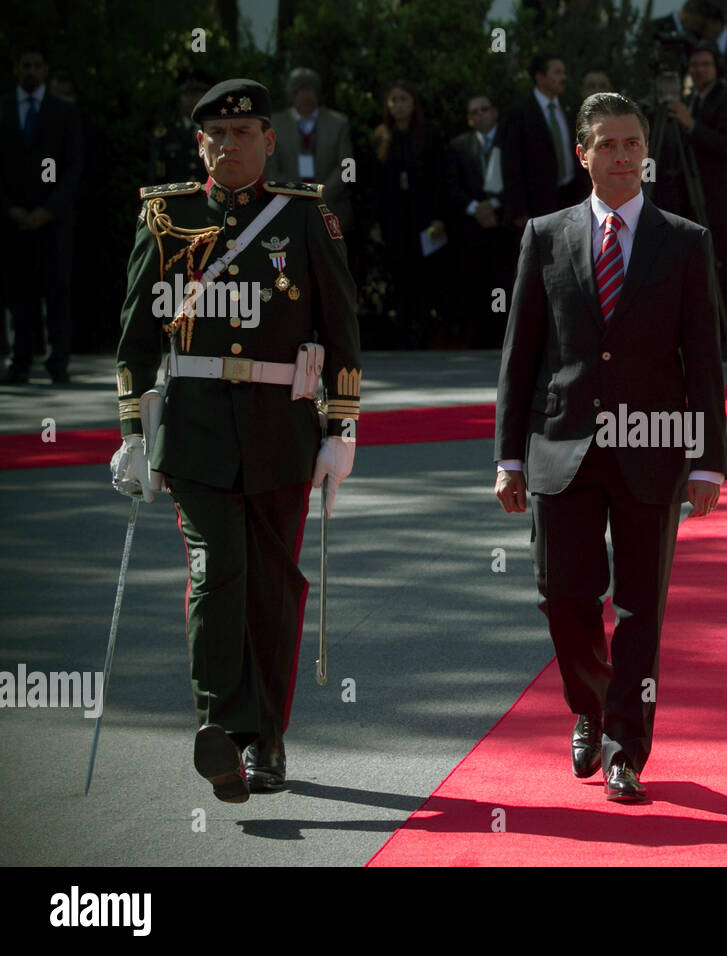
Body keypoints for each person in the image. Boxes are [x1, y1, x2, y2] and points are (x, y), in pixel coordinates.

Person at [109, 78, 362, 802]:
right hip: (193, 431)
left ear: (268, 140)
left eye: (243, 132)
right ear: (200, 144)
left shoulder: (305, 219)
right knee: (217, 573)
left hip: (281, 428)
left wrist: (342, 428)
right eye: (216, 136)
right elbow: (133, 337)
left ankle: (268, 740)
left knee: (274, 588)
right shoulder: (166, 217)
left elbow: (341, 329)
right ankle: (224, 728)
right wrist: (132, 431)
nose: (229, 144)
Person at [494, 92, 727, 803]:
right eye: (608, 144)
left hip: (652, 450)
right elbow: (521, 354)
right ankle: (590, 706)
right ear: (584, 153)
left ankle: (625, 745)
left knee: (639, 610)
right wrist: (508, 458)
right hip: (559, 445)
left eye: (633, 144)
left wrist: (708, 458)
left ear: (646, 152)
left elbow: (704, 360)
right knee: (563, 596)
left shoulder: (685, 241)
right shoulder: (545, 235)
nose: (623, 157)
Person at [0, 45, 83, 384]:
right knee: (16, 291)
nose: (30, 71)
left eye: (36, 65)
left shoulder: (63, 111)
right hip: (12, 220)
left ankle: (58, 360)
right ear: (17, 69)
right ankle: (19, 361)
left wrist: (49, 210)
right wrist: (10, 208)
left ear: (45, 70)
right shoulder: (3, 109)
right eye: (25, 65)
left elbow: (73, 165)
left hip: (53, 220)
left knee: (56, 291)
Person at [666, 43, 727, 358]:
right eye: (695, 65)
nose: (699, 70)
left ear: (717, 68)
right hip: (689, 199)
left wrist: (691, 124)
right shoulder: (687, 101)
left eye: (705, 64)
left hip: (722, 203)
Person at [370, 79, 452, 348]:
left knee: (425, 275)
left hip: (424, 219)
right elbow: (374, 185)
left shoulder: (429, 134)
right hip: (394, 220)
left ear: (413, 103)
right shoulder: (381, 136)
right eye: (393, 100)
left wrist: (439, 216)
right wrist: (374, 222)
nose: (398, 106)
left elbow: (441, 178)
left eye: (403, 99)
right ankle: (404, 334)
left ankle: (424, 332)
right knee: (398, 275)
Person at [446, 93, 515, 348]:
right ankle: (479, 339)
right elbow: (451, 185)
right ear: (469, 119)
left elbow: (519, 180)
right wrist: (476, 208)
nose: (479, 115)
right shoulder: (458, 145)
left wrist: (494, 206)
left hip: (504, 225)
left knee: (505, 282)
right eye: (473, 112)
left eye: (484, 109)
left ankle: (504, 339)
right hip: (472, 228)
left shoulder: (510, 142)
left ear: (494, 112)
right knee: (475, 284)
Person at [500, 54, 586, 231]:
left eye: (564, 72)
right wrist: (519, 210)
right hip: (537, 205)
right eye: (557, 72)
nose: (563, 78)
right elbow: (511, 166)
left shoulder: (569, 107)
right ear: (540, 78)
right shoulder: (519, 113)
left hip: (570, 198)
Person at [267, 67, 356, 233]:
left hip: (332, 210)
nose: (306, 96)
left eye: (311, 90)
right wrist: (296, 193)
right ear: (291, 94)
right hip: (288, 211)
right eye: (300, 90)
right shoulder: (276, 124)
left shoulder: (339, 123)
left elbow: (348, 167)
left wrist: (322, 194)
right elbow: (270, 169)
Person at [149, 73, 211, 185]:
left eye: (197, 94)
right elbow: (158, 175)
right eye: (187, 94)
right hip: (175, 198)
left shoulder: (215, 131)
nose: (192, 99)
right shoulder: (166, 133)